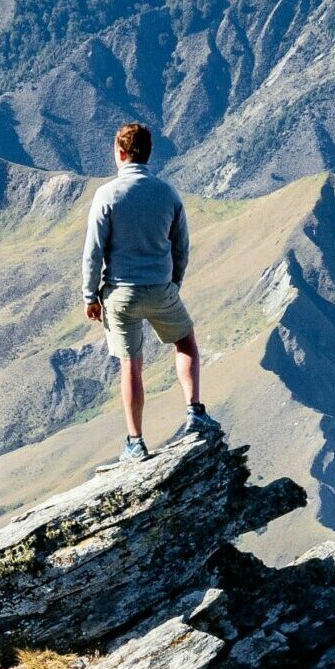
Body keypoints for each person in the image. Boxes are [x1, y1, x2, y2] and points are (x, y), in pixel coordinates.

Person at [82, 122, 222, 464]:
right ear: (147, 153)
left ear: (119, 152)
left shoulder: (107, 196)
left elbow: (93, 252)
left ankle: (135, 441)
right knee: (185, 341)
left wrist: (90, 296)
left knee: (131, 363)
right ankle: (195, 413)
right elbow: (182, 247)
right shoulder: (167, 193)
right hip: (160, 288)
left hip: (120, 294)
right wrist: (174, 283)